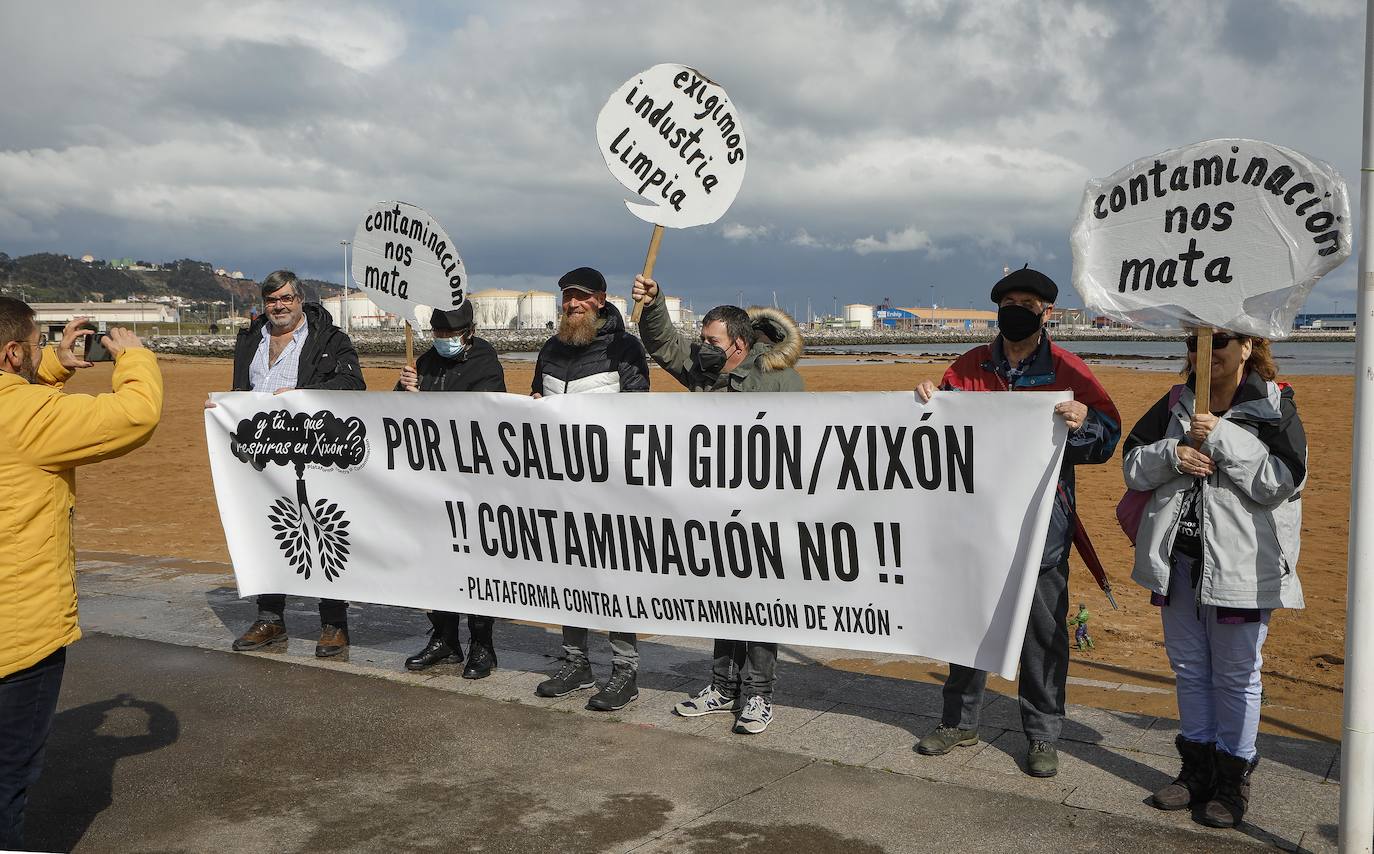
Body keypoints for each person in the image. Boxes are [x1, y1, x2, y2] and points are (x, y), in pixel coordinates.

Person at [913, 266, 1120, 778]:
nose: (1018, 311)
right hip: (974, 522)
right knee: (967, 619)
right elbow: (938, 436)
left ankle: (1042, 734)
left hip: (1043, 524)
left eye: (1029, 304)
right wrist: (922, 405)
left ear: (1046, 313)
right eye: (1010, 302)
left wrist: (1083, 424)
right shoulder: (967, 367)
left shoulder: (1070, 371)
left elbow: (1109, 436)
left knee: (1044, 633)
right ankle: (959, 721)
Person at [1123, 330, 1304, 829]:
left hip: (1242, 569)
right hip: (1179, 563)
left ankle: (1232, 779)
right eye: (1196, 341)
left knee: (1238, 675)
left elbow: (1281, 482)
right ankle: (1195, 770)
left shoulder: (1274, 406)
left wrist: (1220, 436)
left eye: (1220, 340)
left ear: (1248, 347)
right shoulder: (1175, 401)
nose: (1207, 350)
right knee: (1189, 668)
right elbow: (1132, 466)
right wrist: (1172, 455)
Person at [0, 301, 162, 850]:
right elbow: (134, 415)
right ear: (12, 352)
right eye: (34, 343)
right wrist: (135, 360)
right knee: (6, 782)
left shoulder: (23, 405)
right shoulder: (22, 416)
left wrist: (52, 367)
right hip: (16, 638)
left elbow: (22, 400)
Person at [631, 273, 803, 735]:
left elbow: (805, 445)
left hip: (765, 512)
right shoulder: (705, 371)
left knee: (761, 604)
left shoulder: (780, 380)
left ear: (739, 345)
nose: (702, 347)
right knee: (725, 600)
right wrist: (652, 303)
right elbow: (664, 343)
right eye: (702, 339)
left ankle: (759, 694)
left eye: (711, 340)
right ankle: (723, 686)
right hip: (717, 511)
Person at [214, 270, 366, 658]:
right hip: (262, 457)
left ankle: (334, 624)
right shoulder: (251, 339)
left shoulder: (330, 339)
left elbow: (353, 385)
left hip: (315, 454)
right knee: (265, 530)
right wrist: (224, 408)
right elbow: (243, 392)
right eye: (270, 300)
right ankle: (271, 619)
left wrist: (303, 395)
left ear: (300, 299)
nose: (278, 306)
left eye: (285, 298)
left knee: (323, 532)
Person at [532, 267, 650, 711]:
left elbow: (640, 415)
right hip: (561, 487)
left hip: (612, 488)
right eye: (567, 297)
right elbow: (535, 410)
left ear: (601, 300)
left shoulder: (625, 347)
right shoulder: (549, 348)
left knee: (616, 579)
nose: (573, 304)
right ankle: (576, 663)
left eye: (582, 297)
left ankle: (625, 671)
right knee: (570, 576)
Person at [397, 302, 505, 679]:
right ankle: (444, 637)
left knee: (476, 564)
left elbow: (485, 414)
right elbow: (394, 415)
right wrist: (404, 389)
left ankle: (482, 644)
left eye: (450, 335)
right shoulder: (424, 362)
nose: (444, 341)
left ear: (469, 332)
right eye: (438, 335)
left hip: (473, 483)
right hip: (430, 482)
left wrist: (425, 397)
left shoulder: (485, 363)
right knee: (434, 561)